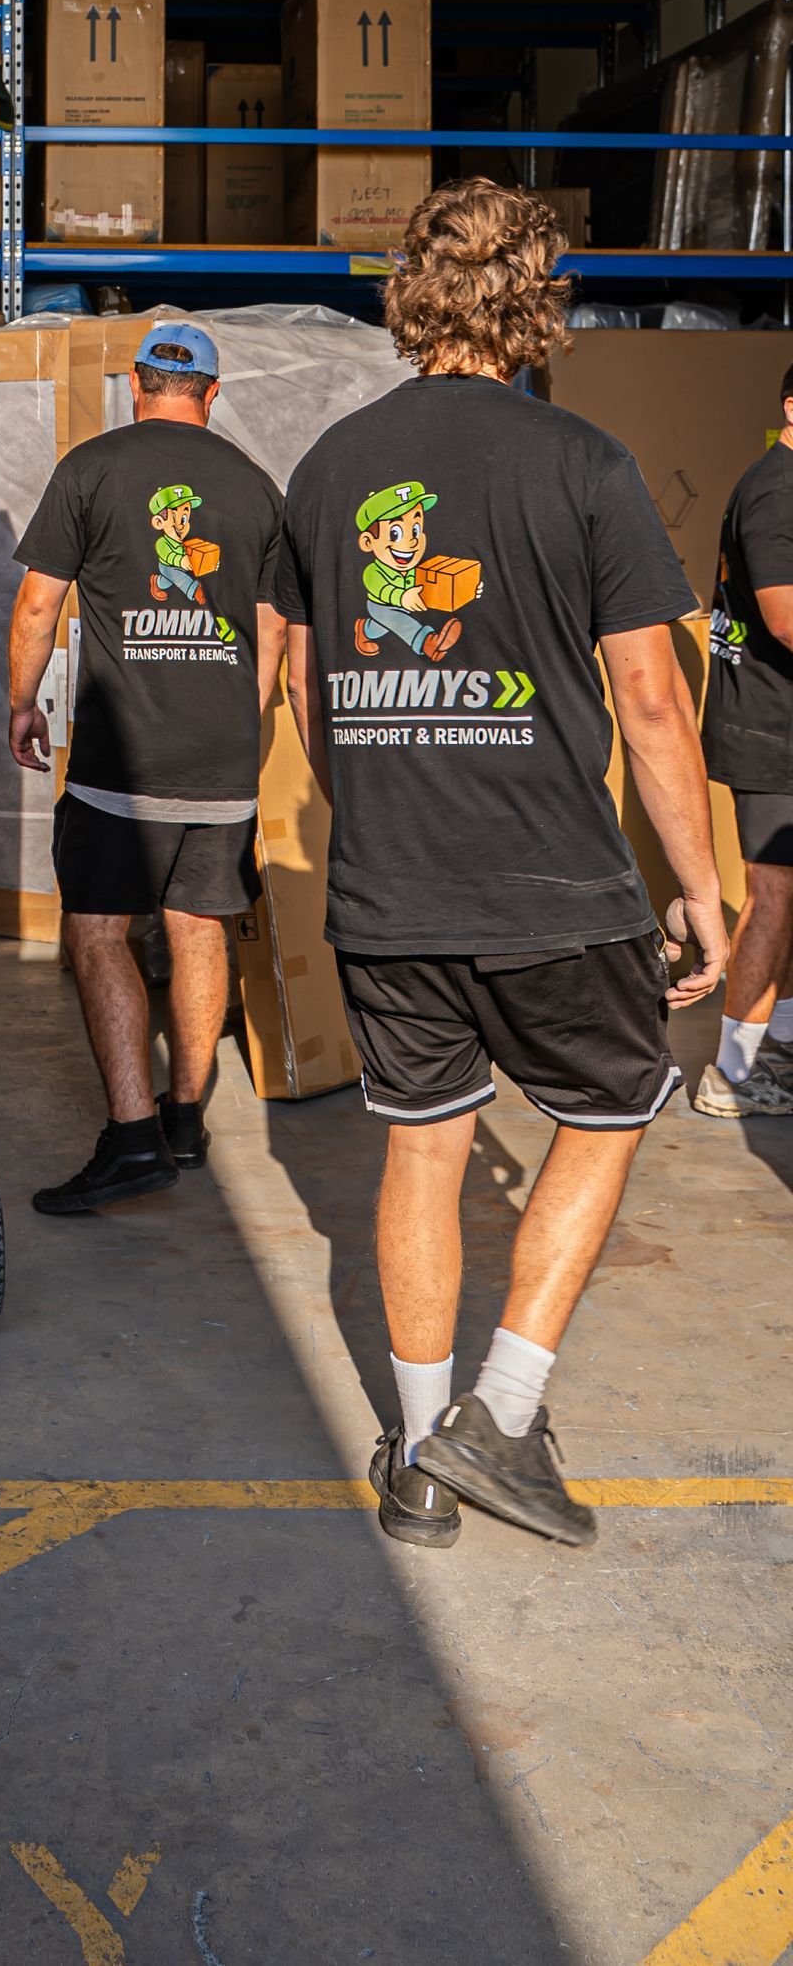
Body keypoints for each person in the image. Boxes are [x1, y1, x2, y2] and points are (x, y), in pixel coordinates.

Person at [273, 180, 726, 1552]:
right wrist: (699, 886)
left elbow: (299, 681)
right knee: (612, 1106)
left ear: (414, 291)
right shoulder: (584, 462)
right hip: (550, 881)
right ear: (537, 297)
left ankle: (418, 1462)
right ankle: (501, 1412)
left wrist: (370, 800)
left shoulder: (330, 465)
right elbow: (652, 700)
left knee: (424, 1140)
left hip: (389, 880)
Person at [8, 321, 287, 1215]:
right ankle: (184, 1118)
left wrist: (25, 703)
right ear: (213, 391)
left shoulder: (91, 468)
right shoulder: (256, 486)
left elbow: (37, 605)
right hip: (223, 758)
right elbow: (275, 630)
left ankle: (132, 1138)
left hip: (120, 763)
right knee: (199, 927)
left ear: (137, 382)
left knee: (98, 931)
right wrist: (252, 727)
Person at [697, 367, 793, 1116]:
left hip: (778, 725)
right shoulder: (776, 492)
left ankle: (777, 1046)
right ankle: (730, 1071)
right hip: (767, 730)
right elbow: (786, 616)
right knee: (773, 897)